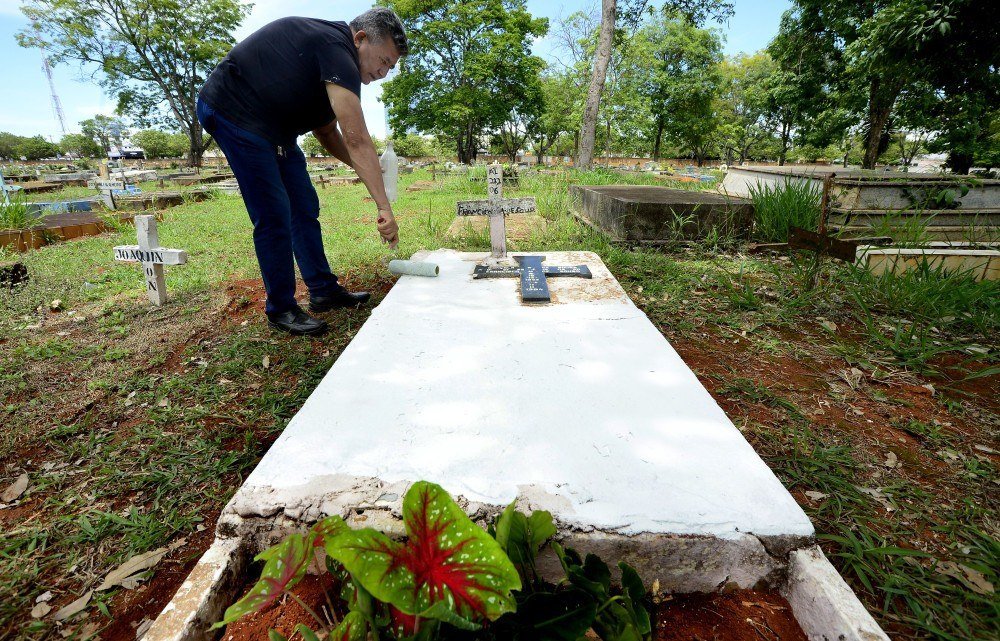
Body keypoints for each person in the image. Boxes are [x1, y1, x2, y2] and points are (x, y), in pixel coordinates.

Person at [197, 8, 408, 336]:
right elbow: (355, 138)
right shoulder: (336, 47)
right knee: (274, 212)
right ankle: (281, 307)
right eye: (383, 61)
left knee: (304, 205)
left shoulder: (333, 70)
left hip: (275, 127)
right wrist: (384, 207)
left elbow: (328, 133)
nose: (383, 72)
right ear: (360, 39)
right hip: (233, 109)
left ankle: (323, 290)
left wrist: (366, 168)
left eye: (390, 67)